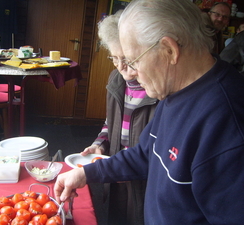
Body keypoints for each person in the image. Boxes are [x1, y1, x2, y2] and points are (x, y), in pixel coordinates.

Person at [54, 0, 244, 224]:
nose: (131, 73)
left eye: (134, 61)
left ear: (169, 50)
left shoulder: (229, 121)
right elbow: (145, 153)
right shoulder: (174, 88)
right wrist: (86, 174)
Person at [81, 10, 157, 225]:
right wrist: (100, 145)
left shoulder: (158, 88)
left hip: (144, 178)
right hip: (114, 169)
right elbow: (110, 121)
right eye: (114, 58)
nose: (120, 66)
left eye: (127, 59)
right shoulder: (116, 79)